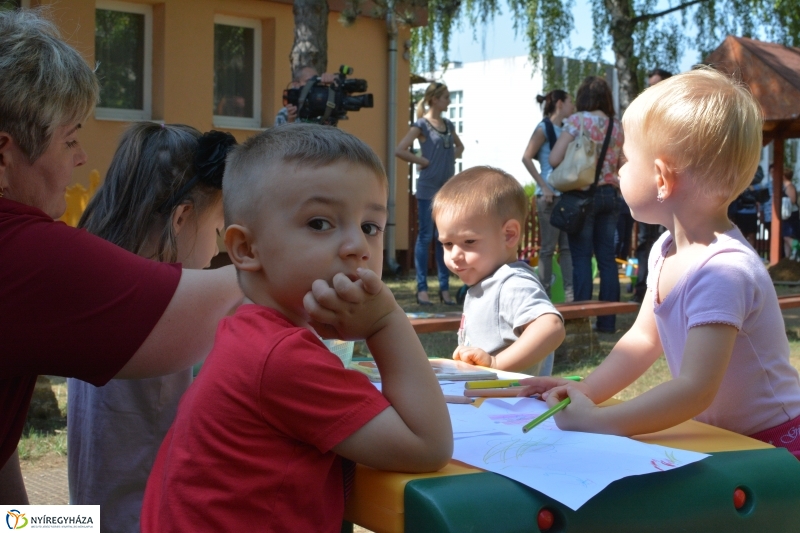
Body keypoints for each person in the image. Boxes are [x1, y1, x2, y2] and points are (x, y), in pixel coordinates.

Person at [140, 124, 453, 532]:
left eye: (370, 227)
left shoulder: (251, 333)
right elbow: (428, 446)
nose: (358, 246)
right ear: (247, 249)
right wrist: (385, 323)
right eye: (321, 223)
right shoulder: (280, 357)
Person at [0, 9, 242, 504]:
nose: (82, 156)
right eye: (68, 139)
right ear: (3, 155)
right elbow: (214, 306)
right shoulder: (20, 250)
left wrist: (26, 523)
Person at [519, 68, 800, 458]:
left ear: (662, 179)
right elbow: (642, 340)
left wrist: (599, 423)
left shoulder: (723, 271)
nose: (617, 171)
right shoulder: (665, 249)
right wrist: (588, 390)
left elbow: (694, 390)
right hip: (727, 442)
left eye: (627, 160)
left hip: (776, 447)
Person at [67, 124, 236, 533]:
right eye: (216, 229)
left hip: (89, 514)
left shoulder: (97, 289)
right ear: (181, 217)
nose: (217, 249)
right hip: (145, 520)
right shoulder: (168, 303)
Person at [433, 166, 566, 375]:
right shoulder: (488, 282)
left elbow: (551, 328)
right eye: (448, 244)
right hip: (491, 401)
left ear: (509, 235)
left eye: (469, 241)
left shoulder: (512, 283)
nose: (455, 255)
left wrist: (496, 363)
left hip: (514, 404)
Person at [549, 76, 624, 333]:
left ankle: (581, 320)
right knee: (606, 259)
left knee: (581, 258)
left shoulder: (577, 121)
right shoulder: (617, 126)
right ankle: (608, 322)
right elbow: (623, 163)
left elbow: (554, 157)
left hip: (583, 196)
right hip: (610, 196)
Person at [395, 82, 465, 306]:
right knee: (426, 236)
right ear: (434, 99)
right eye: (445, 97)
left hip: (447, 190)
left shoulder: (448, 124)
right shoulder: (422, 125)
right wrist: (422, 160)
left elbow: (460, 147)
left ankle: (444, 289)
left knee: (444, 238)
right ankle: (422, 289)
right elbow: (400, 149)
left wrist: (448, 157)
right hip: (427, 189)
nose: (448, 101)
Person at [521, 90, 575, 301]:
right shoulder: (543, 127)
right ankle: (543, 297)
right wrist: (543, 186)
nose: (573, 107)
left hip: (566, 195)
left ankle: (570, 298)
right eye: (570, 102)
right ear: (560, 104)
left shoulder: (567, 129)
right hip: (548, 197)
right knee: (547, 249)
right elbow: (526, 157)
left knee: (567, 249)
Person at [632, 68, 673, 302]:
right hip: (649, 190)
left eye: (655, 85)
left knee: (668, 241)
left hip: (670, 192)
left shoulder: (674, 117)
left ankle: (665, 290)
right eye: (649, 85)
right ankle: (643, 290)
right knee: (644, 243)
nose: (650, 90)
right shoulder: (645, 119)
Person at [782, 169, 800, 258]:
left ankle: (797, 247)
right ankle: (787, 258)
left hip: (791, 215)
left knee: (787, 236)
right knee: (785, 237)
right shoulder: (785, 186)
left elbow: (793, 200)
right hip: (785, 215)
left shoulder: (790, 187)